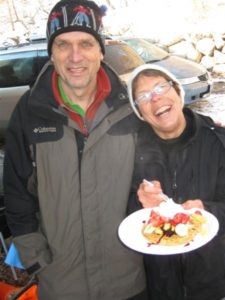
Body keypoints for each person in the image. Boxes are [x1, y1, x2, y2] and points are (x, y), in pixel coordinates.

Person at [3, 1, 148, 299]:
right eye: (63, 44)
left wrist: (207, 132)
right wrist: (36, 260)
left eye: (86, 43)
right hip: (61, 282)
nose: (75, 56)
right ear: (51, 53)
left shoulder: (130, 108)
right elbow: (17, 193)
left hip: (128, 279)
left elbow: (166, 157)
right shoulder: (30, 112)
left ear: (100, 50)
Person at [127, 64, 225, 300]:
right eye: (143, 96)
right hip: (159, 286)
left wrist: (209, 211)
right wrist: (140, 203)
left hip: (214, 283)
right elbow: (121, 217)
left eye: (161, 86)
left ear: (178, 91)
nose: (156, 97)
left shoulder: (219, 143)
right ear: (139, 111)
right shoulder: (130, 154)